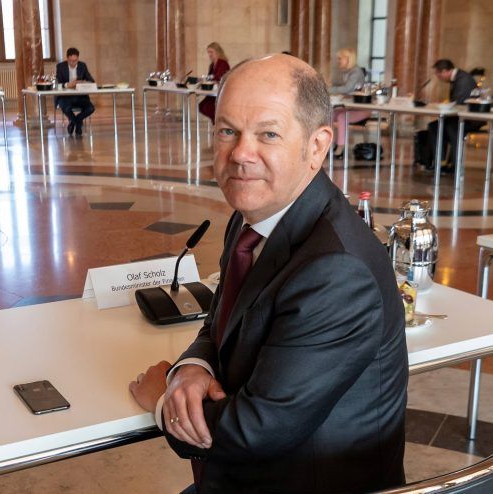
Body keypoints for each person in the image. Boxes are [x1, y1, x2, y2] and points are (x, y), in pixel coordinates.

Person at [130, 54, 408, 494]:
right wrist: (189, 369)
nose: (241, 154)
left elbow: (257, 430)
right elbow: (220, 323)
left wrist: (164, 403)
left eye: (269, 134)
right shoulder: (253, 216)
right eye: (227, 131)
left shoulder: (337, 270)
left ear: (317, 146)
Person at [420, 59, 484, 173]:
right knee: (434, 126)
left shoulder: (463, 79)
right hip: (460, 117)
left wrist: (444, 105)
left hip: (471, 119)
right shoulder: (458, 77)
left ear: (445, 71)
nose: (439, 78)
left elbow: (459, 102)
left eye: (438, 74)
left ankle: (455, 166)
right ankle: (440, 162)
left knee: (451, 128)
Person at [329, 48, 371, 159]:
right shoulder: (346, 72)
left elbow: (346, 89)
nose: (338, 61)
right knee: (329, 114)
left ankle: (340, 149)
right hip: (351, 107)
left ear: (348, 59)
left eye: (340, 59)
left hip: (362, 109)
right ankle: (330, 144)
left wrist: (327, 89)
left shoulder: (356, 72)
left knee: (342, 117)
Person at [56, 47, 95, 137]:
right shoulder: (60, 67)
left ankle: (74, 121)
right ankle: (78, 124)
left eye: (75, 60)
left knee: (91, 108)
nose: (73, 63)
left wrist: (82, 82)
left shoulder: (82, 66)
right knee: (66, 108)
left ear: (78, 58)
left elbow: (92, 81)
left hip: (80, 96)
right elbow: (57, 84)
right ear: (67, 58)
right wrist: (67, 85)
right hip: (65, 97)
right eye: (71, 61)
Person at [198, 42, 230, 124]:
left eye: (211, 52)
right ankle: (215, 122)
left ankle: (217, 122)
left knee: (208, 107)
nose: (209, 54)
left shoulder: (223, 63)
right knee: (201, 106)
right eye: (208, 52)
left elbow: (220, 77)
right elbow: (210, 77)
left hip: (219, 92)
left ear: (217, 52)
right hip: (212, 92)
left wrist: (211, 80)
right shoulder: (212, 65)